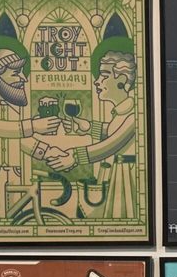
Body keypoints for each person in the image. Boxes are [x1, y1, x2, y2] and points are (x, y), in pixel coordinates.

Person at [48, 51, 138, 219]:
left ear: (122, 79)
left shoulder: (135, 116)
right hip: (117, 173)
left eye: (104, 75)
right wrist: (88, 127)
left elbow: (111, 145)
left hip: (127, 178)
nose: (97, 81)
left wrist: (75, 156)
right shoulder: (123, 112)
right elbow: (112, 130)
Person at [0, 48, 63, 218]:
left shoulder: (13, 111)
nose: (23, 78)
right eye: (16, 73)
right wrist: (32, 126)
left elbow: (17, 139)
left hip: (17, 175)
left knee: (16, 219)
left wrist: (48, 152)